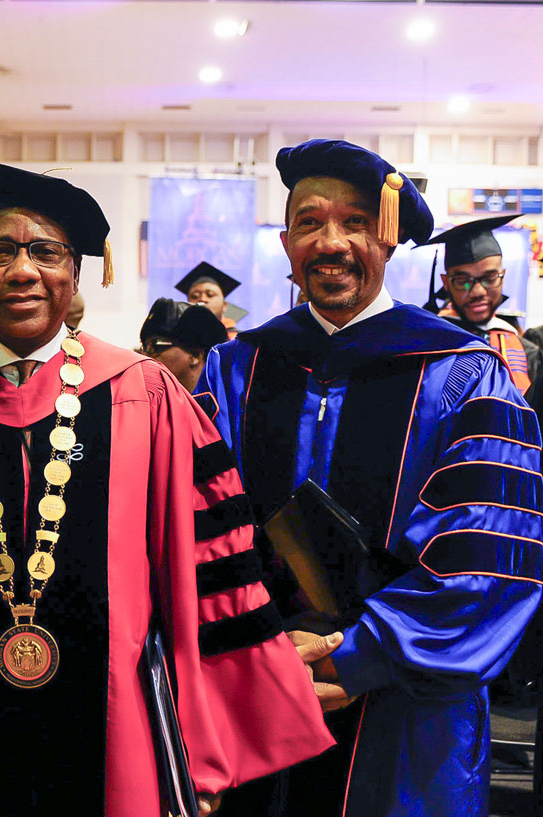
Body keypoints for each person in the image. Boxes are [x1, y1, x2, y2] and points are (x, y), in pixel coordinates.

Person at [0, 162, 332, 817]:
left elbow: (209, 574)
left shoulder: (148, 397)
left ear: (75, 275)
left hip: (119, 734)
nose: (23, 270)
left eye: (46, 251)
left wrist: (201, 736)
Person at [196, 139, 543, 817]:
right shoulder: (235, 370)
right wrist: (263, 647)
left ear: (388, 238)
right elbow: (199, 532)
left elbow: (485, 555)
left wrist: (351, 658)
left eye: (356, 222)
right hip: (256, 688)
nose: (332, 242)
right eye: (310, 222)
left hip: (407, 707)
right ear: (286, 240)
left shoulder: (464, 374)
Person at [420, 214, 543, 414]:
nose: (478, 292)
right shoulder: (427, 344)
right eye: (462, 280)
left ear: (502, 276)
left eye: (489, 278)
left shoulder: (526, 349)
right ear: (446, 282)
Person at [138, 298, 227, 392]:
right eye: (144, 347)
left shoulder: (227, 404)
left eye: (154, 346)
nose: (144, 355)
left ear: (195, 355)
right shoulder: (145, 402)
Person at [175, 261, 245, 339]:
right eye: (195, 296)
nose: (202, 299)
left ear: (224, 305)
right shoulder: (176, 339)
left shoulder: (239, 341)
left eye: (210, 295)